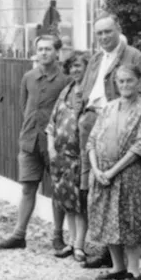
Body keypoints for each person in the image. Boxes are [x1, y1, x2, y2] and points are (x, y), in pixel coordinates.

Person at [78, 14, 141, 270]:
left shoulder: (133, 56)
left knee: (121, 198)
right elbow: (84, 90)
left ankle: (118, 261)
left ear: (118, 29)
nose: (104, 37)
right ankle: (104, 249)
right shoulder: (97, 57)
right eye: (99, 33)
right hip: (94, 122)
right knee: (92, 188)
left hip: (119, 126)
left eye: (108, 31)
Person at [0, 34, 70, 250]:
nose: (44, 53)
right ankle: (19, 234)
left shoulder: (64, 81)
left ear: (57, 52)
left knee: (58, 189)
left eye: (48, 49)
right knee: (27, 188)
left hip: (54, 144)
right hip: (29, 141)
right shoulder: (28, 77)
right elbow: (24, 106)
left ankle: (57, 235)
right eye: (40, 49)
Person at [85, 63, 141, 280]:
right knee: (107, 219)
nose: (125, 85)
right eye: (121, 81)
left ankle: (134, 271)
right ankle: (118, 267)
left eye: (129, 81)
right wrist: (96, 169)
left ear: (137, 82)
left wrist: (113, 171)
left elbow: (140, 145)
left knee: (128, 219)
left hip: (127, 173)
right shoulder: (109, 107)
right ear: (116, 84)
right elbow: (92, 140)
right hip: (103, 171)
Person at [44, 51, 89, 260]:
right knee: (67, 202)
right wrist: (52, 150)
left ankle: (80, 245)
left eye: (79, 66)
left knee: (80, 203)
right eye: (72, 67)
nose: (76, 70)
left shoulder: (89, 94)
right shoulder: (65, 91)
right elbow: (51, 124)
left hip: (80, 158)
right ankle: (71, 242)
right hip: (61, 159)